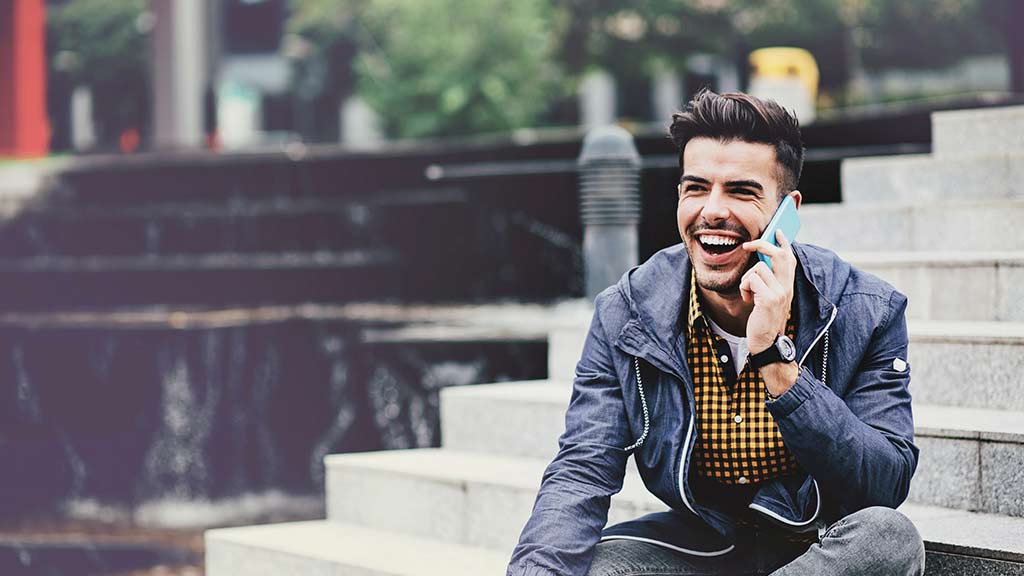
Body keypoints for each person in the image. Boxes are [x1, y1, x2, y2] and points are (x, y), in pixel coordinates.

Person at [506, 89, 925, 576]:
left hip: (816, 544)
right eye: (696, 188)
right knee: (595, 566)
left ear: (786, 211)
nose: (712, 210)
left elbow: (883, 484)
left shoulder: (864, 309)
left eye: (741, 191)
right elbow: (581, 469)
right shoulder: (627, 313)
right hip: (703, 544)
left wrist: (776, 361)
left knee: (890, 539)